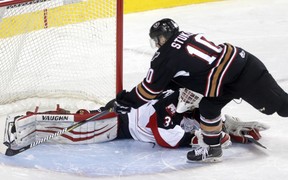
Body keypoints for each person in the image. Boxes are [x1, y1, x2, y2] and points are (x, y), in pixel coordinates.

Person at [113, 18, 288, 162]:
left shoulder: (166, 57)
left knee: (282, 107)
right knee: (208, 107)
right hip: (227, 78)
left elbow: (149, 90)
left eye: (157, 39)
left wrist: (127, 100)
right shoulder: (184, 36)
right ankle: (212, 148)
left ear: (162, 38)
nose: (157, 44)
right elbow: (180, 75)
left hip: (245, 74)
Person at [4, 89, 268, 154]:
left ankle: (31, 122)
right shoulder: (170, 104)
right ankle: (26, 123)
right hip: (120, 123)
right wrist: (200, 138)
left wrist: (224, 128)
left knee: (81, 123)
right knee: (77, 130)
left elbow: (196, 120)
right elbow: (166, 137)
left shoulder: (184, 100)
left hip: (125, 121)